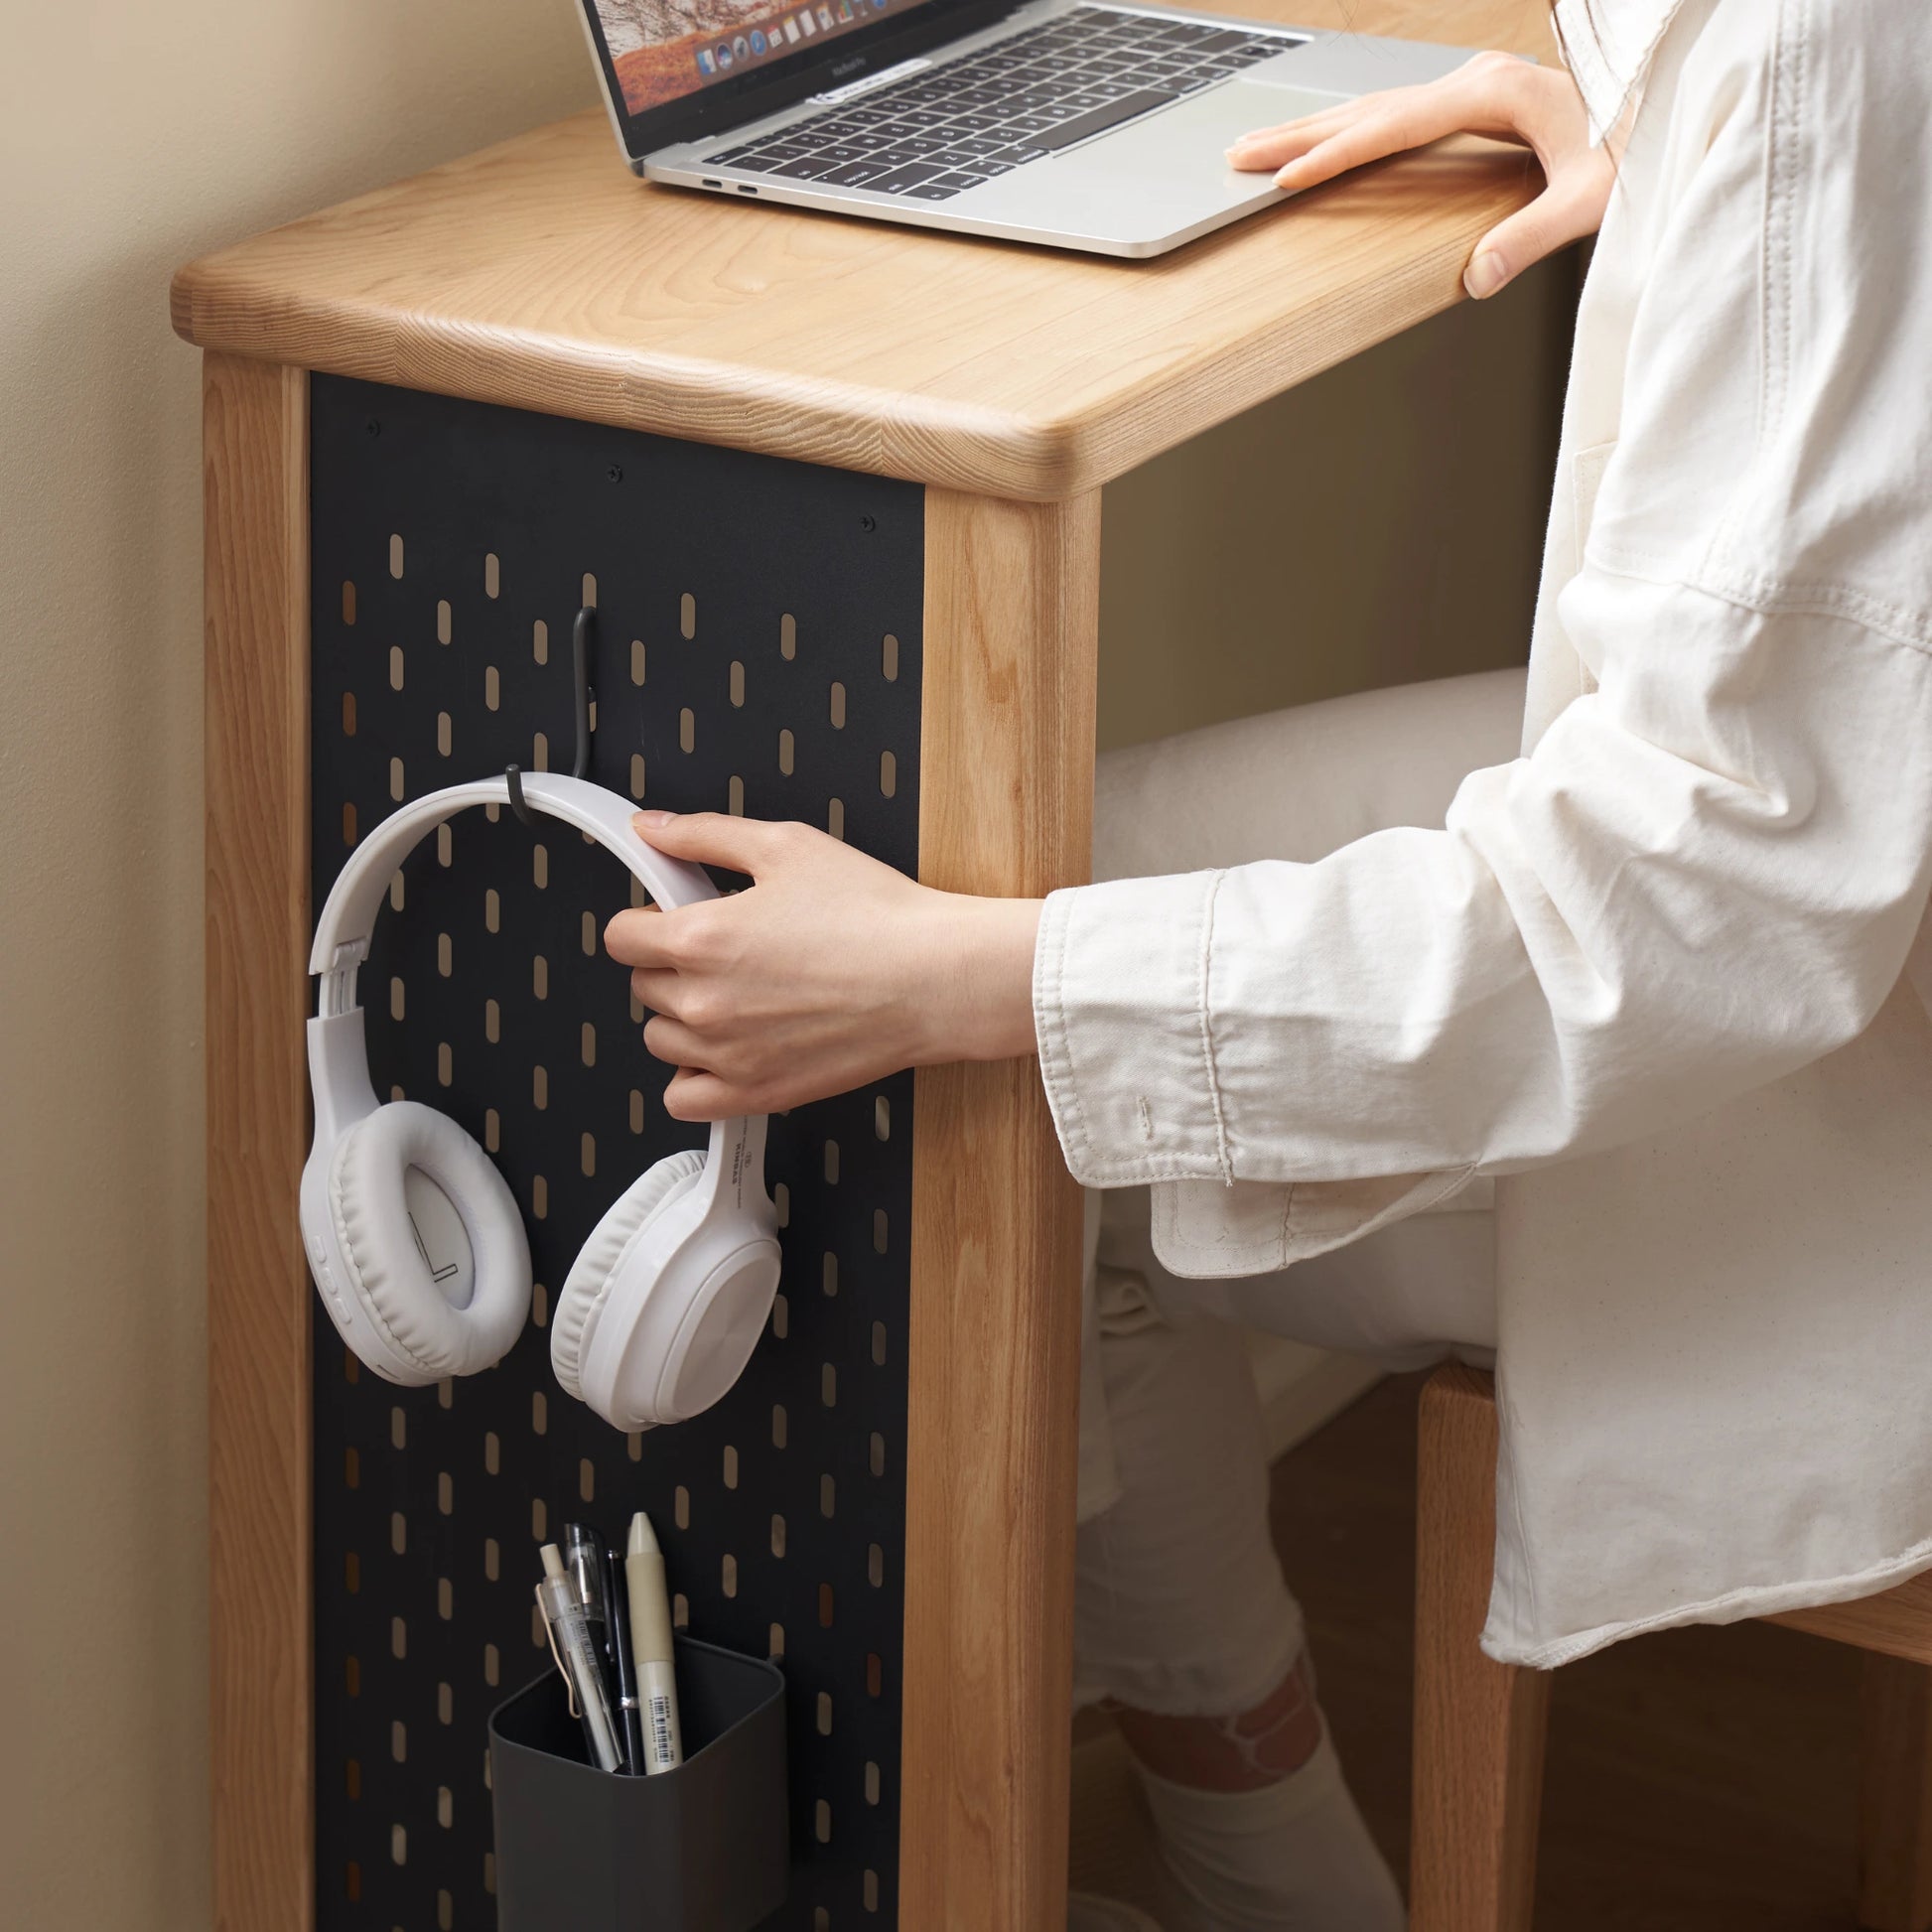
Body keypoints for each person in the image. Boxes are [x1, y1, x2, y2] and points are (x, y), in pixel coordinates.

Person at [605, 1, 1932, 1924]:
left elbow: (1696, 906)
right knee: (1059, 923)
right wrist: (1682, 147)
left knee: (1020, 1032)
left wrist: (979, 988)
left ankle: (1268, 1878)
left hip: (1854, 1034)